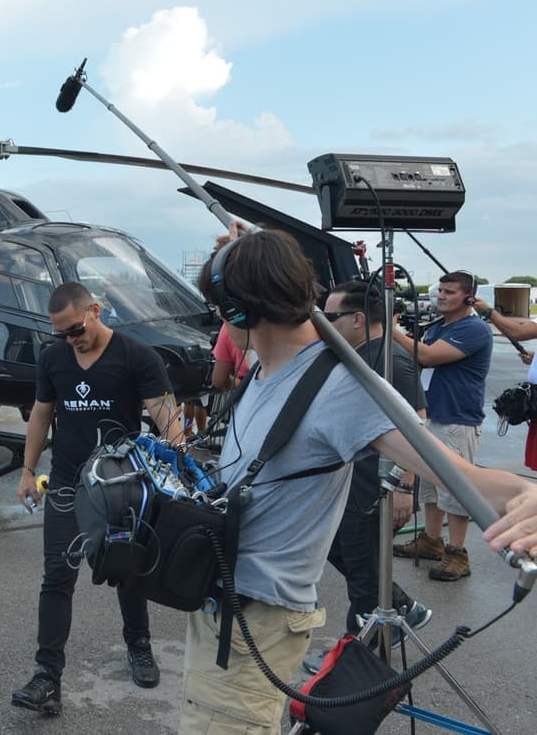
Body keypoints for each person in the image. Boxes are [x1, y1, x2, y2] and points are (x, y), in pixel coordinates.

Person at [182, 228, 537, 732]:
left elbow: (451, 471)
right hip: (224, 604)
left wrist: (524, 491)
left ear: (238, 310)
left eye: (223, 305)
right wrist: (241, 254)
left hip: (254, 623)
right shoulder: (267, 364)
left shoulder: (335, 390)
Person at [12, 283, 184, 716]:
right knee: (57, 577)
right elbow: (41, 413)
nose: (70, 340)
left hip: (120, 486)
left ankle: (138, 644)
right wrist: (28, 471)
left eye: (75, 329)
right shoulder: (54, 358)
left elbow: (167, 417)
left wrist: (180, 473)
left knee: (128, 572)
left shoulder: (137, 355)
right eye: (61, 334)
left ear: (95, 310)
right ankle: (47, 677)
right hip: (69, 485)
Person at [302, 280, 431, 674]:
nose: (324, 324)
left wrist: (407, 486)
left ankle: (350, 661)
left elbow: (417, 426)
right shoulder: (361, 354)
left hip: (379, 486)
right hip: (355, 482)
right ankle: (403, 607)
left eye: (332, 316)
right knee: (345, 553)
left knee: (361, 574)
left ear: (358, 319)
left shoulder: (391, 358)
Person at [389, 271, 493, 582]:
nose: (441, 296)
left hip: (457, 418)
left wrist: (391, 329)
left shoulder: (473, 328)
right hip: (433, 414)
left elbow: (430, 357)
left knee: (455, 487)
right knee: (431, 486)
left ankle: (457, 554)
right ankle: (432, 540)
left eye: (450, 292)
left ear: (469, 297)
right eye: (441, 291)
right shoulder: (441, 327)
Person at [211, 322, 254, 391]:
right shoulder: (274, 320)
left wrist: (241, 384)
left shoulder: (230, 325)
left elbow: (219, 380)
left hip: (247, 389)